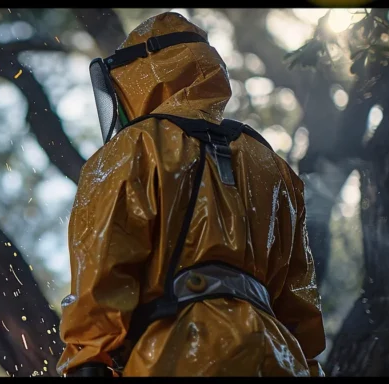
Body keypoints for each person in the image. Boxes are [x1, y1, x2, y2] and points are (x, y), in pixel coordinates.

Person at [57, 12, 326, 377]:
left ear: (142, 74)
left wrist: (88, 358)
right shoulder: (274, 167)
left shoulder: (134, 146)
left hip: (175, 354)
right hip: (277, 358)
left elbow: (103, 266)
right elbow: (301, 305)